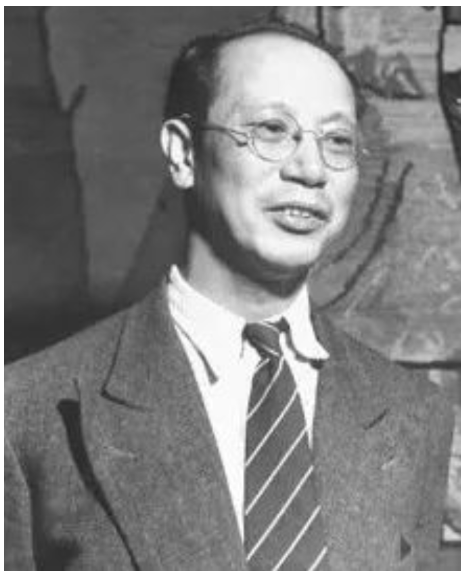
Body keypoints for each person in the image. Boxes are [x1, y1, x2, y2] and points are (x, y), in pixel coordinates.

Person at [5, 19, 453, 571]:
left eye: (337, 140)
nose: (311, 169)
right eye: (271, 129)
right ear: (183, 153)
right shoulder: (25, 410)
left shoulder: (412, 414)